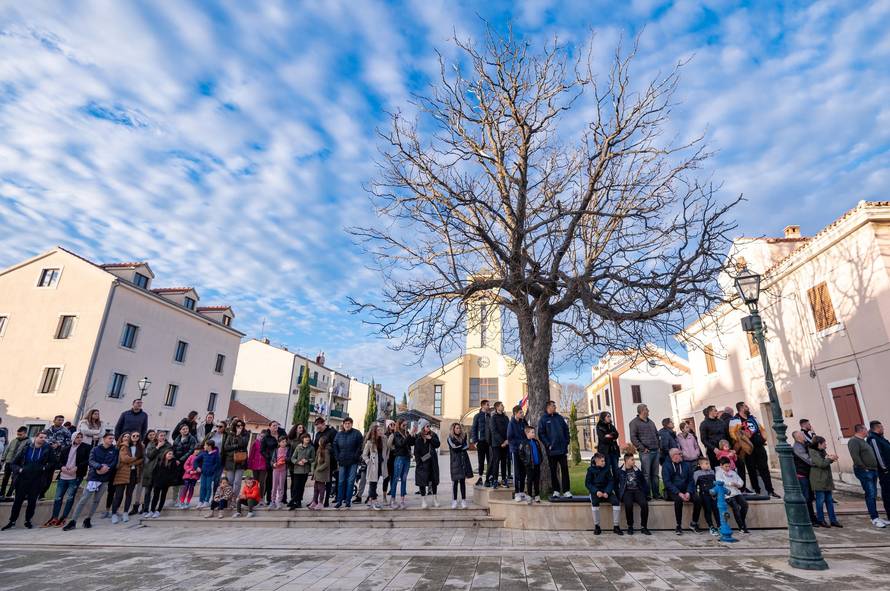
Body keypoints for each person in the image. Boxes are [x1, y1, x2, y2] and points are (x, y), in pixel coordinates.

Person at [62, 431, 119, 530]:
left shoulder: (114, 450)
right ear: (104, 439)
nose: (111, 440)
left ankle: (88, 519)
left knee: (96, 500)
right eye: (110, 438)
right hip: (94, 477)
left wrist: (107, 468)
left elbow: (114, 462)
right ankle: (73, 521)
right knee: (84, 499)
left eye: (112, 439)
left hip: (105, 478)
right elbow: (91, 460)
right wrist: (99, 467)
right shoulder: (95, 449)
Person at [2, 432, 52, 530]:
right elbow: (13, 463)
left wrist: (44, 468)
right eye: (41, 437)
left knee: (32, 501)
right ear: (36, 437)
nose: (43, 439)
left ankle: (28, 521)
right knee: (18, 501)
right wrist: (19, 470)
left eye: (45, 438)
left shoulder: (47, 450)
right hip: (23, 479)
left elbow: (52, 463)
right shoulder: (26, 449)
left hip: (37, 480)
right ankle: (12, 521)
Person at [731, 402, 778, 498]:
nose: (748, 407)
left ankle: (770, 490)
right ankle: (757, 490)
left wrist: (763, 439)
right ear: (741, 408)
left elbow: (761, 429)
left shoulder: (753, 418)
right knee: (751, 470)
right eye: (746, 406)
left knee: (764, 468)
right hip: (747, 448)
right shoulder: (735, 420)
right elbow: (733, 433)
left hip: (759, 446)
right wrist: (743, 437)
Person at [45, 431, 89, 527]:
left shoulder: (86, 447)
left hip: (75, 476)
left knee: (70, 497)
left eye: (81, 437)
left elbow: (87, 460)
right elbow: (59, 461)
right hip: (63, 476)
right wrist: (62, 467)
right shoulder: (66, 448)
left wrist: (77, 468)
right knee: (58, 497)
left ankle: (64, 518)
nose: (79, 439)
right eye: (77, 437)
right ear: (73, 438)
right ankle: (54, 517)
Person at [849, 423, 885, 528]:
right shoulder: (854, 441)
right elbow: (855, 456)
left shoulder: (863, 441)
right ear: (861, 430)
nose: (868, 431)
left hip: (872, 470)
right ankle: (874, 518)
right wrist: (864, 468)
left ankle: (876, 517)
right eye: (866, 429)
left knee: (873, 494)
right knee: (870, 494)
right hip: (865, 471)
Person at [537, 400, 571, 498]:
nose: (555, 407)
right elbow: (541, 434)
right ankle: (556, 490)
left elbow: (566, 429)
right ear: (548, 407)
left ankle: (566, 491)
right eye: (553, 406)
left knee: (565, 470)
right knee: (553, 471)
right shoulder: (543, 419)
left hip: (562, 449)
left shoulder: (559, 417)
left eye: (555, 406)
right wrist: (548, 444)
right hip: (551, 450)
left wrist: (566, 441)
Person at [585, 453, 622, 536]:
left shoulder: (606, 469)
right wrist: (596, 491)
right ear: (596, 461)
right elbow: (588, 483)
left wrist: (607, 492)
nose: (604, 462)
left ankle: (616, 526)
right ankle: (597, 526)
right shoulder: (590, 470)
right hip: (596, 492)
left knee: (616, 502)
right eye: (602, 461)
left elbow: (611, 481)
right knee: (595, 503)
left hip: (606, 491)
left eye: (604, 461)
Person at [662, 447, 696, 535]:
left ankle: (694, 523)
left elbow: (691, 480)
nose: (681, 455)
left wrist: (688, 492)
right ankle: (678, 525)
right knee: (678, 500)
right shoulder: (666, 466)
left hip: (685, 489)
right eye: (679, 454)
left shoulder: (686, 465)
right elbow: (667, 482)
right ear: (673, 456)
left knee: (698, 499)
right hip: (673, 491)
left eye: (680, 454)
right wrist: (679, 493)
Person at [629, 404, 660, 500]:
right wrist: (642, 448)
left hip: (656, 451)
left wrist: (658, 446)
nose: (648, 411)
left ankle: (656, 494)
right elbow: (633, 438)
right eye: (647, 409)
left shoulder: (651, 422)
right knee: (646, 475)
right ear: (642, 411)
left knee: (655, 475)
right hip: (646, 452)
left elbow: (656, 434)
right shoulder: (634, 423)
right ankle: (647, 494)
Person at [110, 432, 143, 523]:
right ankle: (114, 514)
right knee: (118, 495)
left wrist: (132, 463)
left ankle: (125, 513)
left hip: (133, 473)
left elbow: (142, 459)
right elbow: (124, 459)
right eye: (133, 435)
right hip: (123, 472)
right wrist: (135, 459)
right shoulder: (124, 446)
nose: (135, 437)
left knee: (129, 494)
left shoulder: (140, 447)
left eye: (137, 436)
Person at [808, 435, 841, 527]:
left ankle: (833, 520)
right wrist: (830, 459)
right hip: (818, 480)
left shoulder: (822, 451)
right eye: (824, 443)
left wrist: (831, 458)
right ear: (819, 444)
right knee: (820, 501)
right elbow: (821, 464)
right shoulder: (813, 452)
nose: (826, 444)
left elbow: (826, 460)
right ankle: (821, 520)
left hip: (826, 480)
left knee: (829, 501)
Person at [333, 417, 363, 509]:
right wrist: (337, 457)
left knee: (350, 481)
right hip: (342, 461)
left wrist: (356, 456)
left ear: (351, 424)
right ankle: (339, 501)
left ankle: (348, 501)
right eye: (345, 423)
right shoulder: (339, 434)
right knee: (341, 481)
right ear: (343, 424)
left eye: (349, 423)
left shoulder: (357, 433)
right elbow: (335, 445)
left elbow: (360, 445)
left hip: (353, 461)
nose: (347, 425)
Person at [617, 453, 650, 535]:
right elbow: (615, 483)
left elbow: (643, 482)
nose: (634, 461)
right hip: (627, 491)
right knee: (628, 505)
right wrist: (619, 494)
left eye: (633, 459)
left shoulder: (637, 470)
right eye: (632, 460)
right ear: (626, 460)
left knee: (644, 504)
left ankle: (644, 527)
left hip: (637, 491)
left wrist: (646, 493)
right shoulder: (620, 471)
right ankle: (630, 526)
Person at [141, 430, 171, 517]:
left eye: (164, 435)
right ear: (157, 437)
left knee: (156, 492)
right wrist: (157, 447)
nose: (163, 437)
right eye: (161, 435)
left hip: (160, 472)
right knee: (147, 492)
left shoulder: (168, 445)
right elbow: (149, 455)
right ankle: (145, 509)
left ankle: (153, 509)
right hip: (150, 470)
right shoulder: (151, 444)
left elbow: (168, 457)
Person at [716, 457, 749, 533]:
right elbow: (720, 482)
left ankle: (742, 521)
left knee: (745, 505)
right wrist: (731, 483)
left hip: (736, 492)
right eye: (726, 466)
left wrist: (738, 484)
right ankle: (741, 527)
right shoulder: (718, 473)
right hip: (727, 495)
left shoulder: (733, 472)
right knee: (736, 508)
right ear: (721, 465)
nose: (728, 468)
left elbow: (740, 481)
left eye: (729, 466)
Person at [791, 430, 818, 525]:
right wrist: (819, 462)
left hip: (807, 474)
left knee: (810, 497)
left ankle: (812, 518)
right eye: (802, 435)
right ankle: (809, 518)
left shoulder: (805, 444)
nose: (804, 436)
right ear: (798, 437)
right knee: (806, 497)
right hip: (802, 475)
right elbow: (808, 460)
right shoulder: (797, 447)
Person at [41, 415, 71, 497]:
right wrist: (49, 444)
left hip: (56, 457)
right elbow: (42, 439)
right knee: (40, 474)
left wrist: (59, 444)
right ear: (54, 420)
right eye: (59, 420)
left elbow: (68, 443)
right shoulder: (47, 431)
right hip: (45, 456)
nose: (60, 422)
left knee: (49, 476)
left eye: (62, 420)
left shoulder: (66, 432)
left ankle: (42, 493)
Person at [388, 419, 414, 509]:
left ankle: (402, 500)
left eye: (406, 425)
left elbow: (411, 443)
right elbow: (401, 444)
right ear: (399, 425)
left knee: (404, 479)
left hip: (407, 458)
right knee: (395, 479)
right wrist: (409, 436)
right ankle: (392, 500)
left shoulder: (407, 433)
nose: (405, 426)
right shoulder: (396, 434)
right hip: (399, 458)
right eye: (404, 425)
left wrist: (413, 435)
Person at [414, 419, 440, 508]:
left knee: (434, 481)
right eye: (427, 426)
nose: (429, 428)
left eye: (429, 426)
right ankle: (423, 501)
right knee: (422, 482)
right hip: (423, 463)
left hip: (432, 462)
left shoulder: (433, 435)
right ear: (423, 427)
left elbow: (438, 444)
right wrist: (419, 463)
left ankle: (435, 500)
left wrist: (431, 439)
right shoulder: (418, 437)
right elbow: (416, 452)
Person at [867, 420, 890, 524]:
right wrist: (885, 469)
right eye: (882, 427)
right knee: (887, 494)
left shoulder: (881, 438)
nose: (883, 429)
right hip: (885, 472)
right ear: (877, 428)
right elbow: (878, 455)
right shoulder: (873, 439)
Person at [361, 424, 388, 510]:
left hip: (381, 465)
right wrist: (368, 462)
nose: (380, 431)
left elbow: (387, 448)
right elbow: (364, 455)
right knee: (372, 483)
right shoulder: (370, 442)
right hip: (373, 466)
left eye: (381, 430)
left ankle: (370, 500)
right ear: (375, 432)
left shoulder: (384, 439)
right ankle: (375, 501)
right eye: (378, 430)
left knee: (375, 483)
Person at [146, 449, 180, 518]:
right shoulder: (160, 461)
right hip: (157, 482)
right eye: (169, 454)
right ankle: (152, 511)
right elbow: (154, 471)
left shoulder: (173, 463)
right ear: (165, 454)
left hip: (166, 483)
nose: (170, 455)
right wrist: (154, 480)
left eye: (171, 454)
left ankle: (158, 511)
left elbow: (175, 473)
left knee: (163, 497)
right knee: (155, 497)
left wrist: (169, 480)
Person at [692, 456, 720, 535]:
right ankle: (711, 527)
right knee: (708, 510)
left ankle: (719, 526)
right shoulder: (697, 473)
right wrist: (696, 494)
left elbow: (715, 483)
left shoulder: (712, 472)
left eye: (708, 464)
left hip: (713, 495)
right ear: (701, 465)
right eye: (706, 464)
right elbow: (694, 485)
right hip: (704, 495)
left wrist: (716, 492)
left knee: (716, 509)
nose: (708, 465)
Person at [447, 423, 473, 509]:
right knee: (455, 482)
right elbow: (454, 448)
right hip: (455, 462)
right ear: (453, 429)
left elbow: (467, 446)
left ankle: (463, 500)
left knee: (462, 481)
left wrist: (461, 447)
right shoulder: (450, 438)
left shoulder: (463, 437)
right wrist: (462, 447)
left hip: (463, 461)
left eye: (459, 428)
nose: (458, 430)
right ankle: (454, 501)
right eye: (457, 428)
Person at [312, 417, 337, 506]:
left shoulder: (332, 432)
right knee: (318, 482)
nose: (317, 427)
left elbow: (335, 445)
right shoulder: (318, 434)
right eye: (316, 426)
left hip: (329, 461)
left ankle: (326, 500)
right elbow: (315, 446)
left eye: (318, 425)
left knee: (328, 481)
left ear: (323, 424)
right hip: (320, 460)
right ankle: (315, 500)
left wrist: (329, 452)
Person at [173, 424, 198, 507]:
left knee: (183, 483)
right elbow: (174, 449)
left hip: (186, 463)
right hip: (177, 463)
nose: (185, 430)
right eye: (183, 429)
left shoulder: (192, 439)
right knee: (176, 481)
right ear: (180, 431)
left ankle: (181, 500)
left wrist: (180, 460)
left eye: (186, 428)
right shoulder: (177, 438)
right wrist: (175, 460)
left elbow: (191, 451)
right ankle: (174, 499)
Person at [507, 405, 528, 501]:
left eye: (522, 412)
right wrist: (519, 444)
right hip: (515, 451)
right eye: (520, 412)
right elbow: (510, 437)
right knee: (517, 472)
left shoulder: (523, 422)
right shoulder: (511, 423)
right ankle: (517, 493)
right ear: (515, 413)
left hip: (524, 451)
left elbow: (527, 433)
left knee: (523, 472)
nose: (522, 414)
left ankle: (522, 492)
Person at [1, 427, 29, 500]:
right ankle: (1, 493)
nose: (18, 436)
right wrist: (3, 459)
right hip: (8, 462)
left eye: (20, 434)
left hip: (17, 464)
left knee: (14, 480)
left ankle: (9, 495)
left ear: (25, 433)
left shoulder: (29, 442)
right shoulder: (14, 440)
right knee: (5, 478)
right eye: (18, 434)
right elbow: (7, 450)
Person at [519, 426, 544, 504]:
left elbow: (539, 451)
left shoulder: (536, 442)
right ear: (527, 433)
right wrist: (526, 462)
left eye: (534, 432)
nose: (534, 434)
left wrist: (540, 459)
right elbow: (521, 454)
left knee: (537, 480)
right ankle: (529, 496)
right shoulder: (523, 443)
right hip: (529, 466)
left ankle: (537, 495)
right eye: (532, 432)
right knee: (529, 481)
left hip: (537, 465)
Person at [487, 402, 509, 488]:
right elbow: (494, 431)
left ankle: (504, 479)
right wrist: (502, 442)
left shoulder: (506, 418)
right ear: (497, 407)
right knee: (496, 462)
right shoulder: (493, 418)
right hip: (496, 444)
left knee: (504, 462)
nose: (503, 406)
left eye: (503, 405)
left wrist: (506, 441)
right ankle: (495, 480)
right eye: (501, 405)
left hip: (506, 443)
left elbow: (508, 430)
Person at [290, 432, 315, 509]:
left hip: (305, 470)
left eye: (308, 437)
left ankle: (299, 501)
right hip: (297, 470)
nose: (307, 439)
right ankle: (293, 500)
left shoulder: (311, 448)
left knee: (301, 486)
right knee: (295, 486)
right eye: (306, 437)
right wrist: (298, 462)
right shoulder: (298, 447)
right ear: (302, 439)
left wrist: (307, 460)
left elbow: (313, 459)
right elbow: (293, 458)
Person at [699, 405, 729, 470]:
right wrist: (713, 448)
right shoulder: (704, 424)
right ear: (710, 412)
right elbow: (703, 439)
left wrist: (729, 447)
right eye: (715, 410)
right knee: (717, 470)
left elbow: (727, 435)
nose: (717, 412)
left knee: (727, 469)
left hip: (724, 450)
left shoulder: (721, 422)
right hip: (713, 452)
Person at [596, 412, 620, 489]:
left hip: (614, 451)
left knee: (616, 471)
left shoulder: (611, 426)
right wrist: (611, 437)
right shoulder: (599, 426)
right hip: (605, 452)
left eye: (610, 416)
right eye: (608, 416)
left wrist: (608, 435)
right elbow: (603, 439)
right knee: (606, 471)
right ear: (603, 418)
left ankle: (617, 489)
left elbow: (616, 435)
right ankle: (607, 489)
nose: (609, 418)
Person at [224, 419, 249, 493]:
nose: (240, 427)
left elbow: (243, 444)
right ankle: (229, 497)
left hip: (241, 461)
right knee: (230, 481)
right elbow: (226, 447)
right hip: (230, 461)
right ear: (235, 426)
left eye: (242, 425)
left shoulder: (246, 434)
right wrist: (236, 446)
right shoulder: (230, 434)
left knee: (237, 482)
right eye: (238, 425)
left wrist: (238, 435)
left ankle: (234, 498)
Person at [470, 400, 491, 486]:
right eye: (487, 405)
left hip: (489, 442)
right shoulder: (477, 416)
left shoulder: (490, 416)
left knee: (490, 460)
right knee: (481, 461)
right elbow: (474, 428)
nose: (489, 406)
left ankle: (488, 478)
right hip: (481, 442)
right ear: (482, 406)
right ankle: (480, 478)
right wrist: (475, 441)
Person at [195, 439, 221, 509]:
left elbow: (217, 464)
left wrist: (212, 470)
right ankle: (201, 501)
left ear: (209, 446)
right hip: (203, 473)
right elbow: (196, 460)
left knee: (208, 487)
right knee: (202, 487)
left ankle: (206, 501)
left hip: (210, 474)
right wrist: (197, 467)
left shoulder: (216, 454)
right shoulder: (203, 453)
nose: (204, 446)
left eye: (205, 445)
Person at [308, 438, 330, 510]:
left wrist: (319, 468)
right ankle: (314, 501)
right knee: (315, 487)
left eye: (320, 441)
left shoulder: (326, 451)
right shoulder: (319, 449)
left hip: (322, 472)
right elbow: (316, 460)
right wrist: (314, 469)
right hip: (317, 472)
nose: (318, 442)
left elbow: (327, 463)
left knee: (321, 488)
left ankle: (321, 502)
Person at [270, 436, 289, 509]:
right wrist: (274, 464)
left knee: (281, 486)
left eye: (285, 441)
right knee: (274, 486)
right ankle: (272, 501)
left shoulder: (288, 450)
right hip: (276, 470)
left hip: (283, 470)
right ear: (279, 443)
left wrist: (284, 460)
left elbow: (289, 459)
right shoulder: (276, 450)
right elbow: (272, 461)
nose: (284, 443)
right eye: (282, 442)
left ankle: (279, 501)